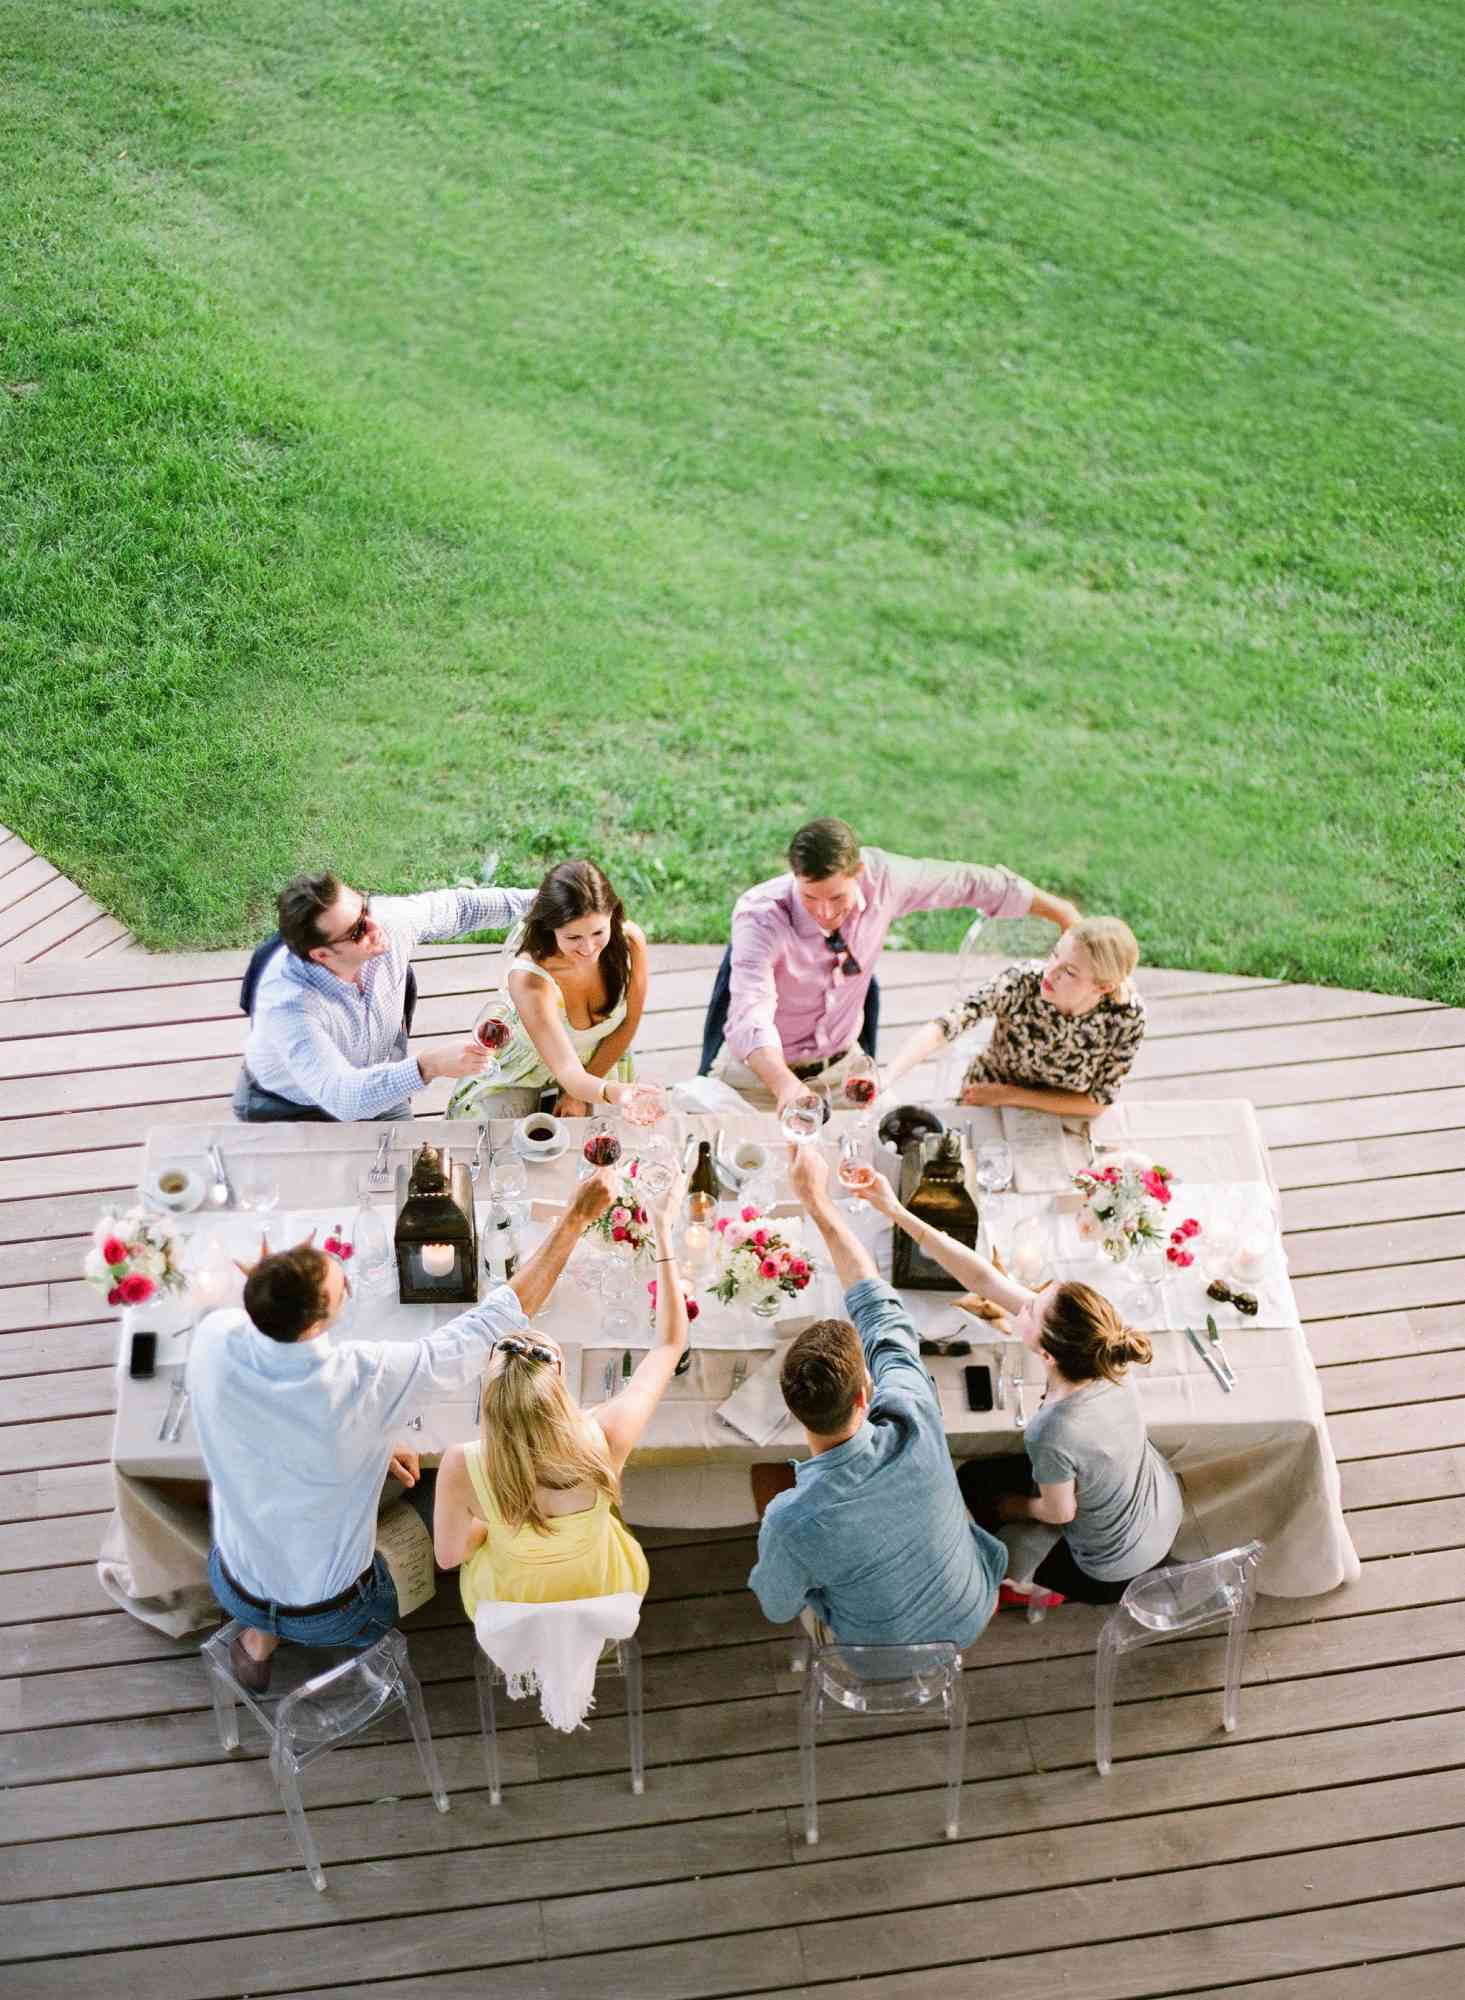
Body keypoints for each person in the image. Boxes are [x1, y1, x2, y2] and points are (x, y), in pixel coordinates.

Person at [186, 1169, 618, 1692]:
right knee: (457, 1480)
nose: (345, 1278)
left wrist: (374, 1439)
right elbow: (492, 1324)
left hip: (229, 1581)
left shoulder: (213, 1337)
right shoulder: (363, 1377)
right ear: (320, 1322)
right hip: (337, 1614)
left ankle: (258, 1637)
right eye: (339, 1282)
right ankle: (306, 1633)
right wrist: (574, 1220)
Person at [857, 1168, 1182, 1605]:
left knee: (975, 1485)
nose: (1022, 1303)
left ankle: (1025, 1587)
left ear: (1047, 1355)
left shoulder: (1052, 1428)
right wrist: (895, 1210)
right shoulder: (1110, 1350)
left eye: (1031, 1310)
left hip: (1110, 1564)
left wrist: (1014, 1508)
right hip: (1159, 1502)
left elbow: (1060, 1511)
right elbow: (985, 1280)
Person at [747, 1146, 1007, 1648]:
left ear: (792, 1407)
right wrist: (816, 1201)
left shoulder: (790, 1518)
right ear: (866, 1394)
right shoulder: (917, 1411)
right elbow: (878, 1307)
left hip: (873, 1656)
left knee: (764, 1485)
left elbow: (777, 1608)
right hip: (974, 1611)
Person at [433, 1172, 689, 1612]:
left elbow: (449, 1556)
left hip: (511, 1603)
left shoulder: (462, 1463)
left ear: (491, 1404)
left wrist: (498, 1527)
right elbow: (669, 1344)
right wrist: (662, 1227)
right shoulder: (604, 1437)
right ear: (558, 1389)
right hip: (602, 1593)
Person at [718, 816, 1081, 1114]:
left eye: (836, 897)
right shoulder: (760, 916)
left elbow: (968, 882)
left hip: (844, 1071)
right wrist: (785, 1087)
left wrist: (1061, 911)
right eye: (810, 898)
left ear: (858, 872)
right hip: (763, 1076)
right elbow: (751, 1012)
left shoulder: (886, 879)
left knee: (900, 1150)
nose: (825, 913)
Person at [235, 869, 535, 1123]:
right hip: (290, 1107)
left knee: (411, 1173)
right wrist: (428, 1066)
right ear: (322, 954)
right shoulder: (288, 1006)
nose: (376, 927)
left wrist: (545, 904)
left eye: (364, 909)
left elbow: (463, 908)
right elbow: (344, 1097)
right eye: (356, 932)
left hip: (381, 1078)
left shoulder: (385, 923)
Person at [883, 915, 1145, 1120]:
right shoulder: (1023, 981)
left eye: (1070, 972)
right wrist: (887, 1077)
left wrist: (1008, 1096)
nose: (1049, 973)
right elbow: (947, 1025)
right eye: (1055, 954)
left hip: (1062, 1114)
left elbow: (1098, 1102)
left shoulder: (1127, 1017)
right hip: (984, 1095)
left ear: (1103, 987)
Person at [446, 859, 648, 1122]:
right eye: (573, 938)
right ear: (550, 928)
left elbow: (629, 1023)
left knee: (616, 1143)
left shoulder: (630, 941)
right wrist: (611, 1092)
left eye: (598, 932)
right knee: (489, 1138)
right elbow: (567, 1070)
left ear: (612, 914)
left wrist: (579, 1095)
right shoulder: (529, 978)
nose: (588, 949)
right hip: (524, 1065)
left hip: (599, 1062)